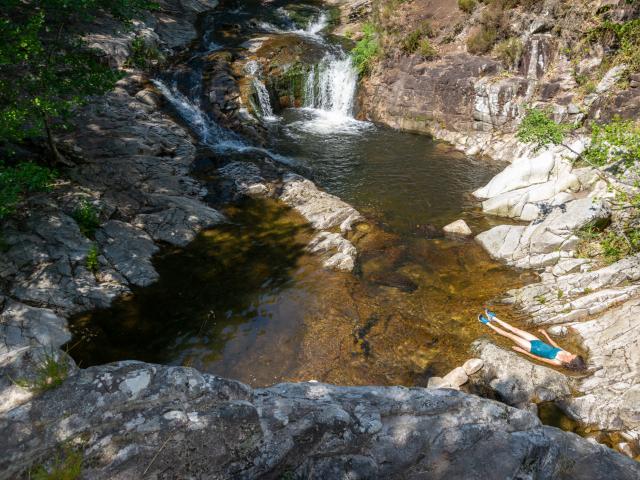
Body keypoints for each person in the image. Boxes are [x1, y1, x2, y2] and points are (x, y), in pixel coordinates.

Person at [478, 309, 587, 371]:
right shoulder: (567, 353)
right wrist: (545, 334)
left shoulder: (558, 362)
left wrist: (522, 351)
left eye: (574, 356)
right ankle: (493, 317)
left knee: (508, 335)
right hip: (538, 341)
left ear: (572, 361)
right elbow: (555, 345)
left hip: (531, 348)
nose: (573, 354)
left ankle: (486, 322)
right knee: (514, 330)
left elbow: (537, 358)